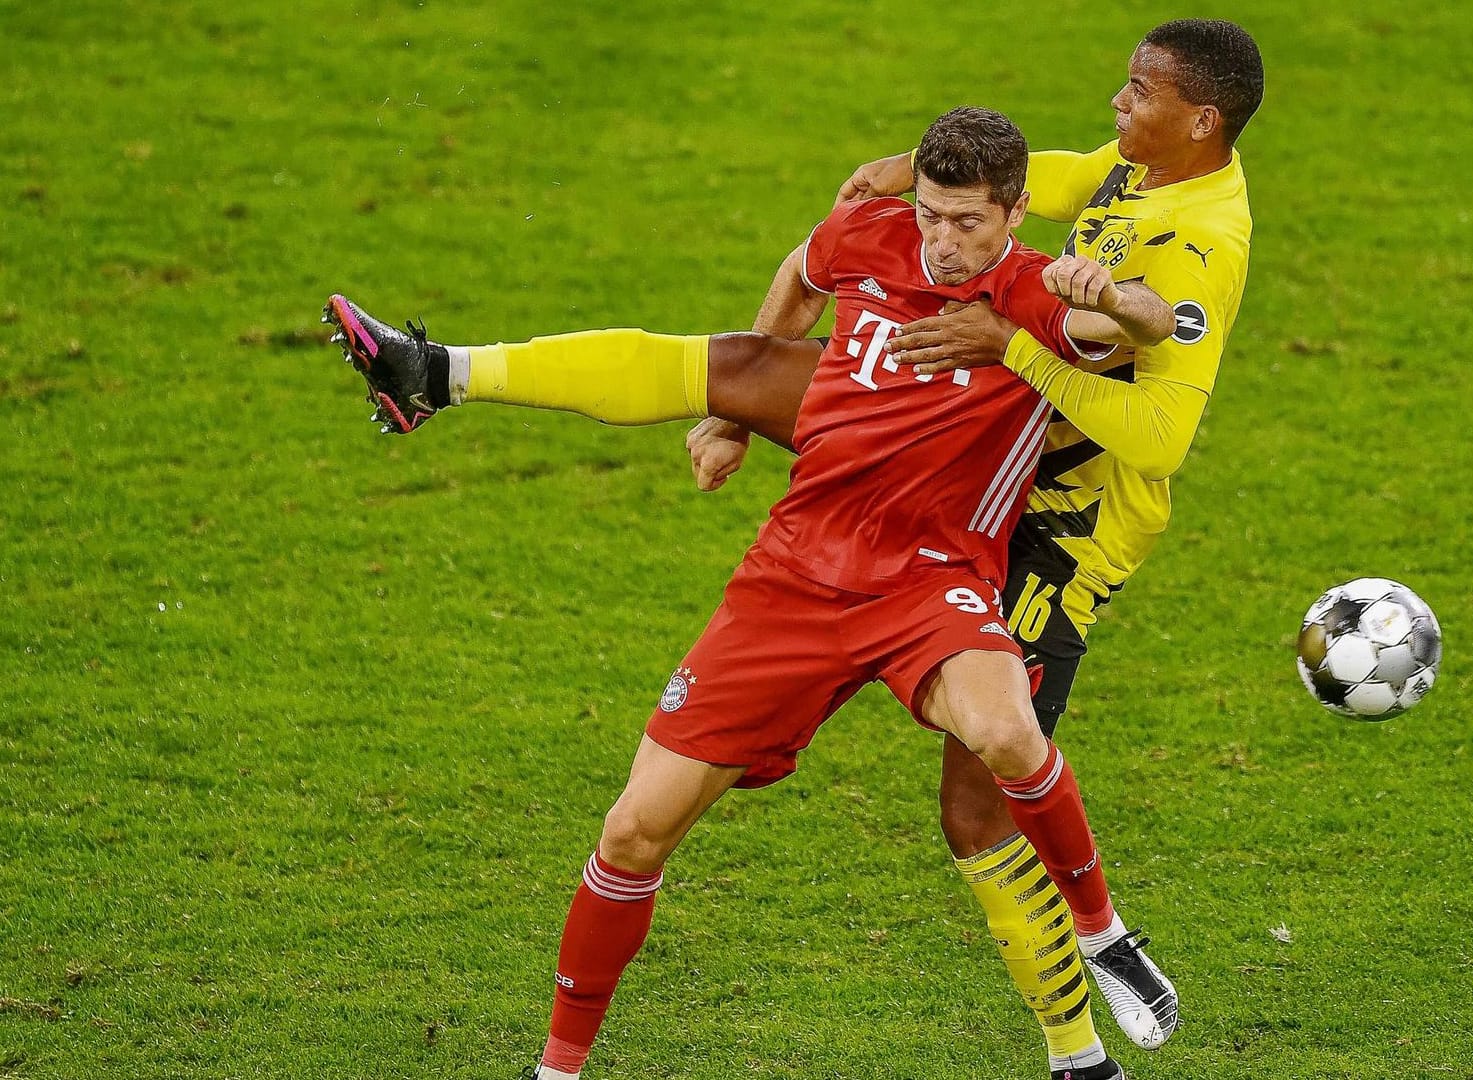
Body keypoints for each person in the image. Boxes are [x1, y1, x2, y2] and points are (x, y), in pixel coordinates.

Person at [329, 20, 1263, 1078]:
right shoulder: (1044, 193)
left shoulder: (1120, 266)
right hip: (811, 557)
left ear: (1201, 119)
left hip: (1050, 524)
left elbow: (1155, 405)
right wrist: (905, 180)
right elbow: (1016, 190)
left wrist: (1019, 336)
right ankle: (433, 372)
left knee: (982, 799)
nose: (1116, 103)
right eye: (933, 217)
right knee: (721, 379)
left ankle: (1087, 1017)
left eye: (1139, 91)